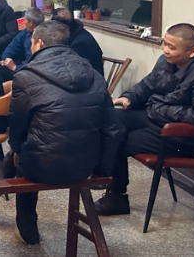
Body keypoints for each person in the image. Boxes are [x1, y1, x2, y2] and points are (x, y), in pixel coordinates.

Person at [7, 21, 122, 245]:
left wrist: (17, 149)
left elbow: (17, 125)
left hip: (41, 166)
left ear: (40, 44)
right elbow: (113, 129)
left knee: (21, 157)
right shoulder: (95, 75)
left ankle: (28, 231)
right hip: (85, 166)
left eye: (32, 43)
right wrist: (101, 169)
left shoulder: (26, 77)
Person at [95, 23, 194, 216]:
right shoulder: (165, 61)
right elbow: (147, 84)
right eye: (165, 43)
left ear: (192, 51)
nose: (165, 50)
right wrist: (129, 97)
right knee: (109, 120)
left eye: (172, 47)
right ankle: (99, 173)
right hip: (153, 116)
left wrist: (167, 110)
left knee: (117, 141)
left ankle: (117, 198)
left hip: (178, 137)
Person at [51, 9, 104, 76]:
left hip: (89, 79)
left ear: (61, 28)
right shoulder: (73, 32)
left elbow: (75, 72)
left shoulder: (81, 43)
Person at [0, 7, 44, 73]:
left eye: (25, 20)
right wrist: (5, 59)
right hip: (24, 66)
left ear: (31, 23)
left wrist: (15, 67)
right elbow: (13, 45)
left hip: (34, 70)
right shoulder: (26, 32)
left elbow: (34, 63)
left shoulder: (43, 37)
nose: (24, 22)